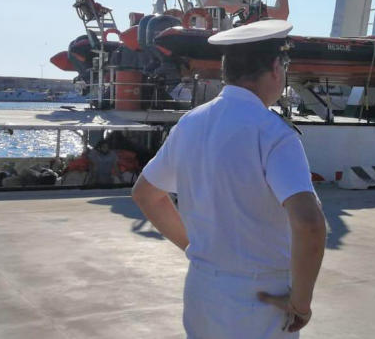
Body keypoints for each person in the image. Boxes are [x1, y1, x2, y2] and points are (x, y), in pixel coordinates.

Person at [132, 19, 327, 338]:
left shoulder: (189, 125)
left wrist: (194, 246)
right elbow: (309, 223)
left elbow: (145, 194)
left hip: (202, 292)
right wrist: (301, 305)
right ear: (277, 67)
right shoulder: (273, 133)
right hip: (259, 303)